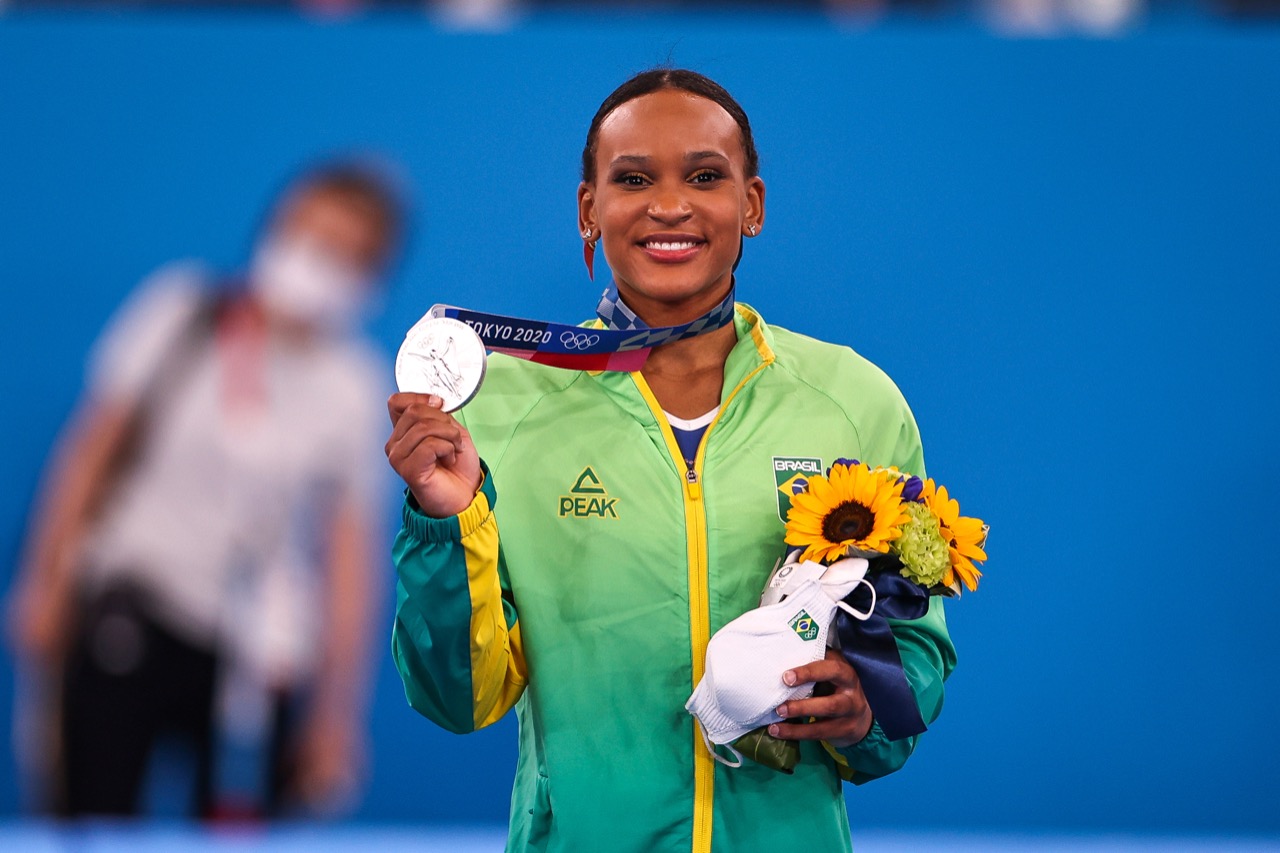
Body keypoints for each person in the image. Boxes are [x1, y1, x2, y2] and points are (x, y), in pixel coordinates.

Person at [385, 70, 956, 853]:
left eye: (704, 176)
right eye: (632, 179)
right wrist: (442, 524)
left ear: (751, 204)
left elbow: (914, 649)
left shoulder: (854, 401)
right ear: (589, 210)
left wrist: (867, 707)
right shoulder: (503, 410)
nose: (669, 205)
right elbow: (460, 697)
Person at [6, 162, 403, 818]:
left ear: (370, 277)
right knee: (87, 816)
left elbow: (349, 559)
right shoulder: (181, 311)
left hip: (257, 648)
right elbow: (88, 454)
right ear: (275, 231)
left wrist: (337, 712)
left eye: (345, 254)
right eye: (309, 238)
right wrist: (42, 583)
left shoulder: (356, 386)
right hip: (132, 606)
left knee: (239, 827)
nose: (317, 263)